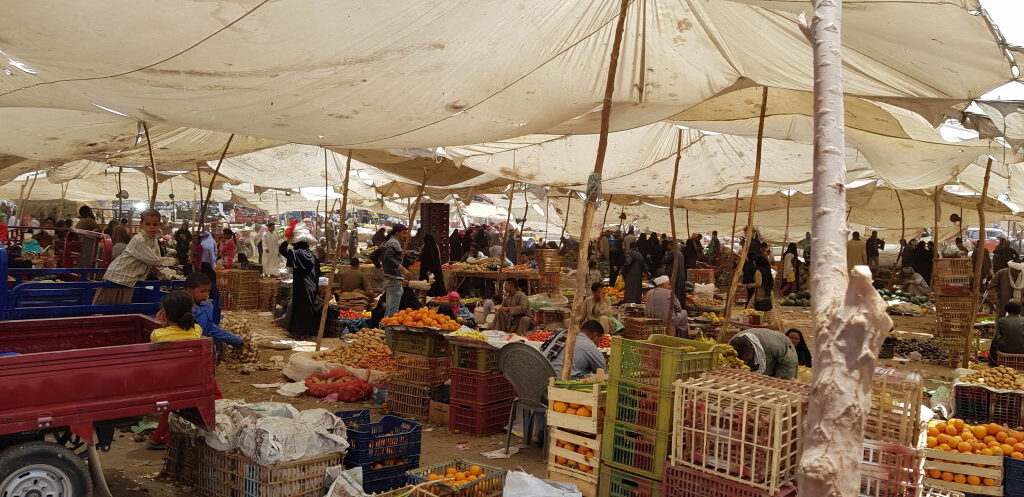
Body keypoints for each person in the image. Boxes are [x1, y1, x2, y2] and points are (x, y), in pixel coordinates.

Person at [148, 290, 206, 449]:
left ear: (164, 313)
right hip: (193, 381)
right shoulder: (197, 330)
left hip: (168, 383)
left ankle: (158, 437)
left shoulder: (157, 334)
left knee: (171, 405)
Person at [93, 209, 177, 305]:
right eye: (148, 224)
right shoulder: (139, 240)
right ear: (141, 224)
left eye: (155, 224)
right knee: (105, 309)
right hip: (117, 277)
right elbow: (152, 260)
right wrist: (172, 261)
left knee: (121, 310)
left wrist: (165, 277)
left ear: (159, 225)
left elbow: (154, 264)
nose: (152, 227)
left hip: (129, 281)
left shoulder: (154, 240)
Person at [279, 219, 322, 337]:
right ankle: (307, 332)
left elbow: (282, 250)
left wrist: (287, 239)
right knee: (309, 309)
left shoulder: (296, 254)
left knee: (299, 309)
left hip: (301, 286)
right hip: (312, 287)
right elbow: (319, 273)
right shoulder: (313, 256)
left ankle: (299, 332)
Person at [183, 272, 243, 351]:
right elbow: (209, 329)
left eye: (208, 291)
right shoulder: (200, 309)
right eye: (202, 291)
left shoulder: (179, 304)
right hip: (196, 348)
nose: (206, 295)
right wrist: (234, 339)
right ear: (189, 291)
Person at [370, 224, 411, 317]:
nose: (406, 236)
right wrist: (402, 269)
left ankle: (383, 329)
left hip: (389, 280)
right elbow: (388, 257)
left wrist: (381, 268)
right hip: (394, 280)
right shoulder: (394, 242)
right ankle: (387, 330)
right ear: (397, 233)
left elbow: (372, 255)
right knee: (393, 311)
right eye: (404, 233)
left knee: (389, 309)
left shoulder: (387, 242)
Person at [730, 328, 799, 379]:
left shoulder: (774, 345)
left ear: (752, 348)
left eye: (747, 358)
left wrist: (777, 380)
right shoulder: (732, 346)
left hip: (785, 359)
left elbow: (789, 364)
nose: (745, 362)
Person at [745, 255, 775, 323]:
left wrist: (750, 285)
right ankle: (764, 323)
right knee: (766, 312)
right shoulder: (767, 270)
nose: (753, 263)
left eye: (754, 262)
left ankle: (755, 323)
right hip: (767, 292)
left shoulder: (758, 271)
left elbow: (758, 283)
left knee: (753, 310)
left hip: (760, 293)